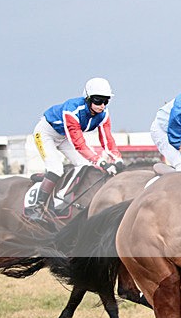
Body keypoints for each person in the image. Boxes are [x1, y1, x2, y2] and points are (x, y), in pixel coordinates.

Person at [28, 77, 123, 220]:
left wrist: (117, 159)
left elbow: (107, 139)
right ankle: (37, 207)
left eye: (106, 101)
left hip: (64, 136)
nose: (102, 105)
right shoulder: (72, 110)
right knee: (56, 168)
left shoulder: (104, 115)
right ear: (88, 98)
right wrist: (101, 161)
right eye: (98, 100)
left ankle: (60, 193)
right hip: (46, 133)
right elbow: (79, 144)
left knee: (84, 165)